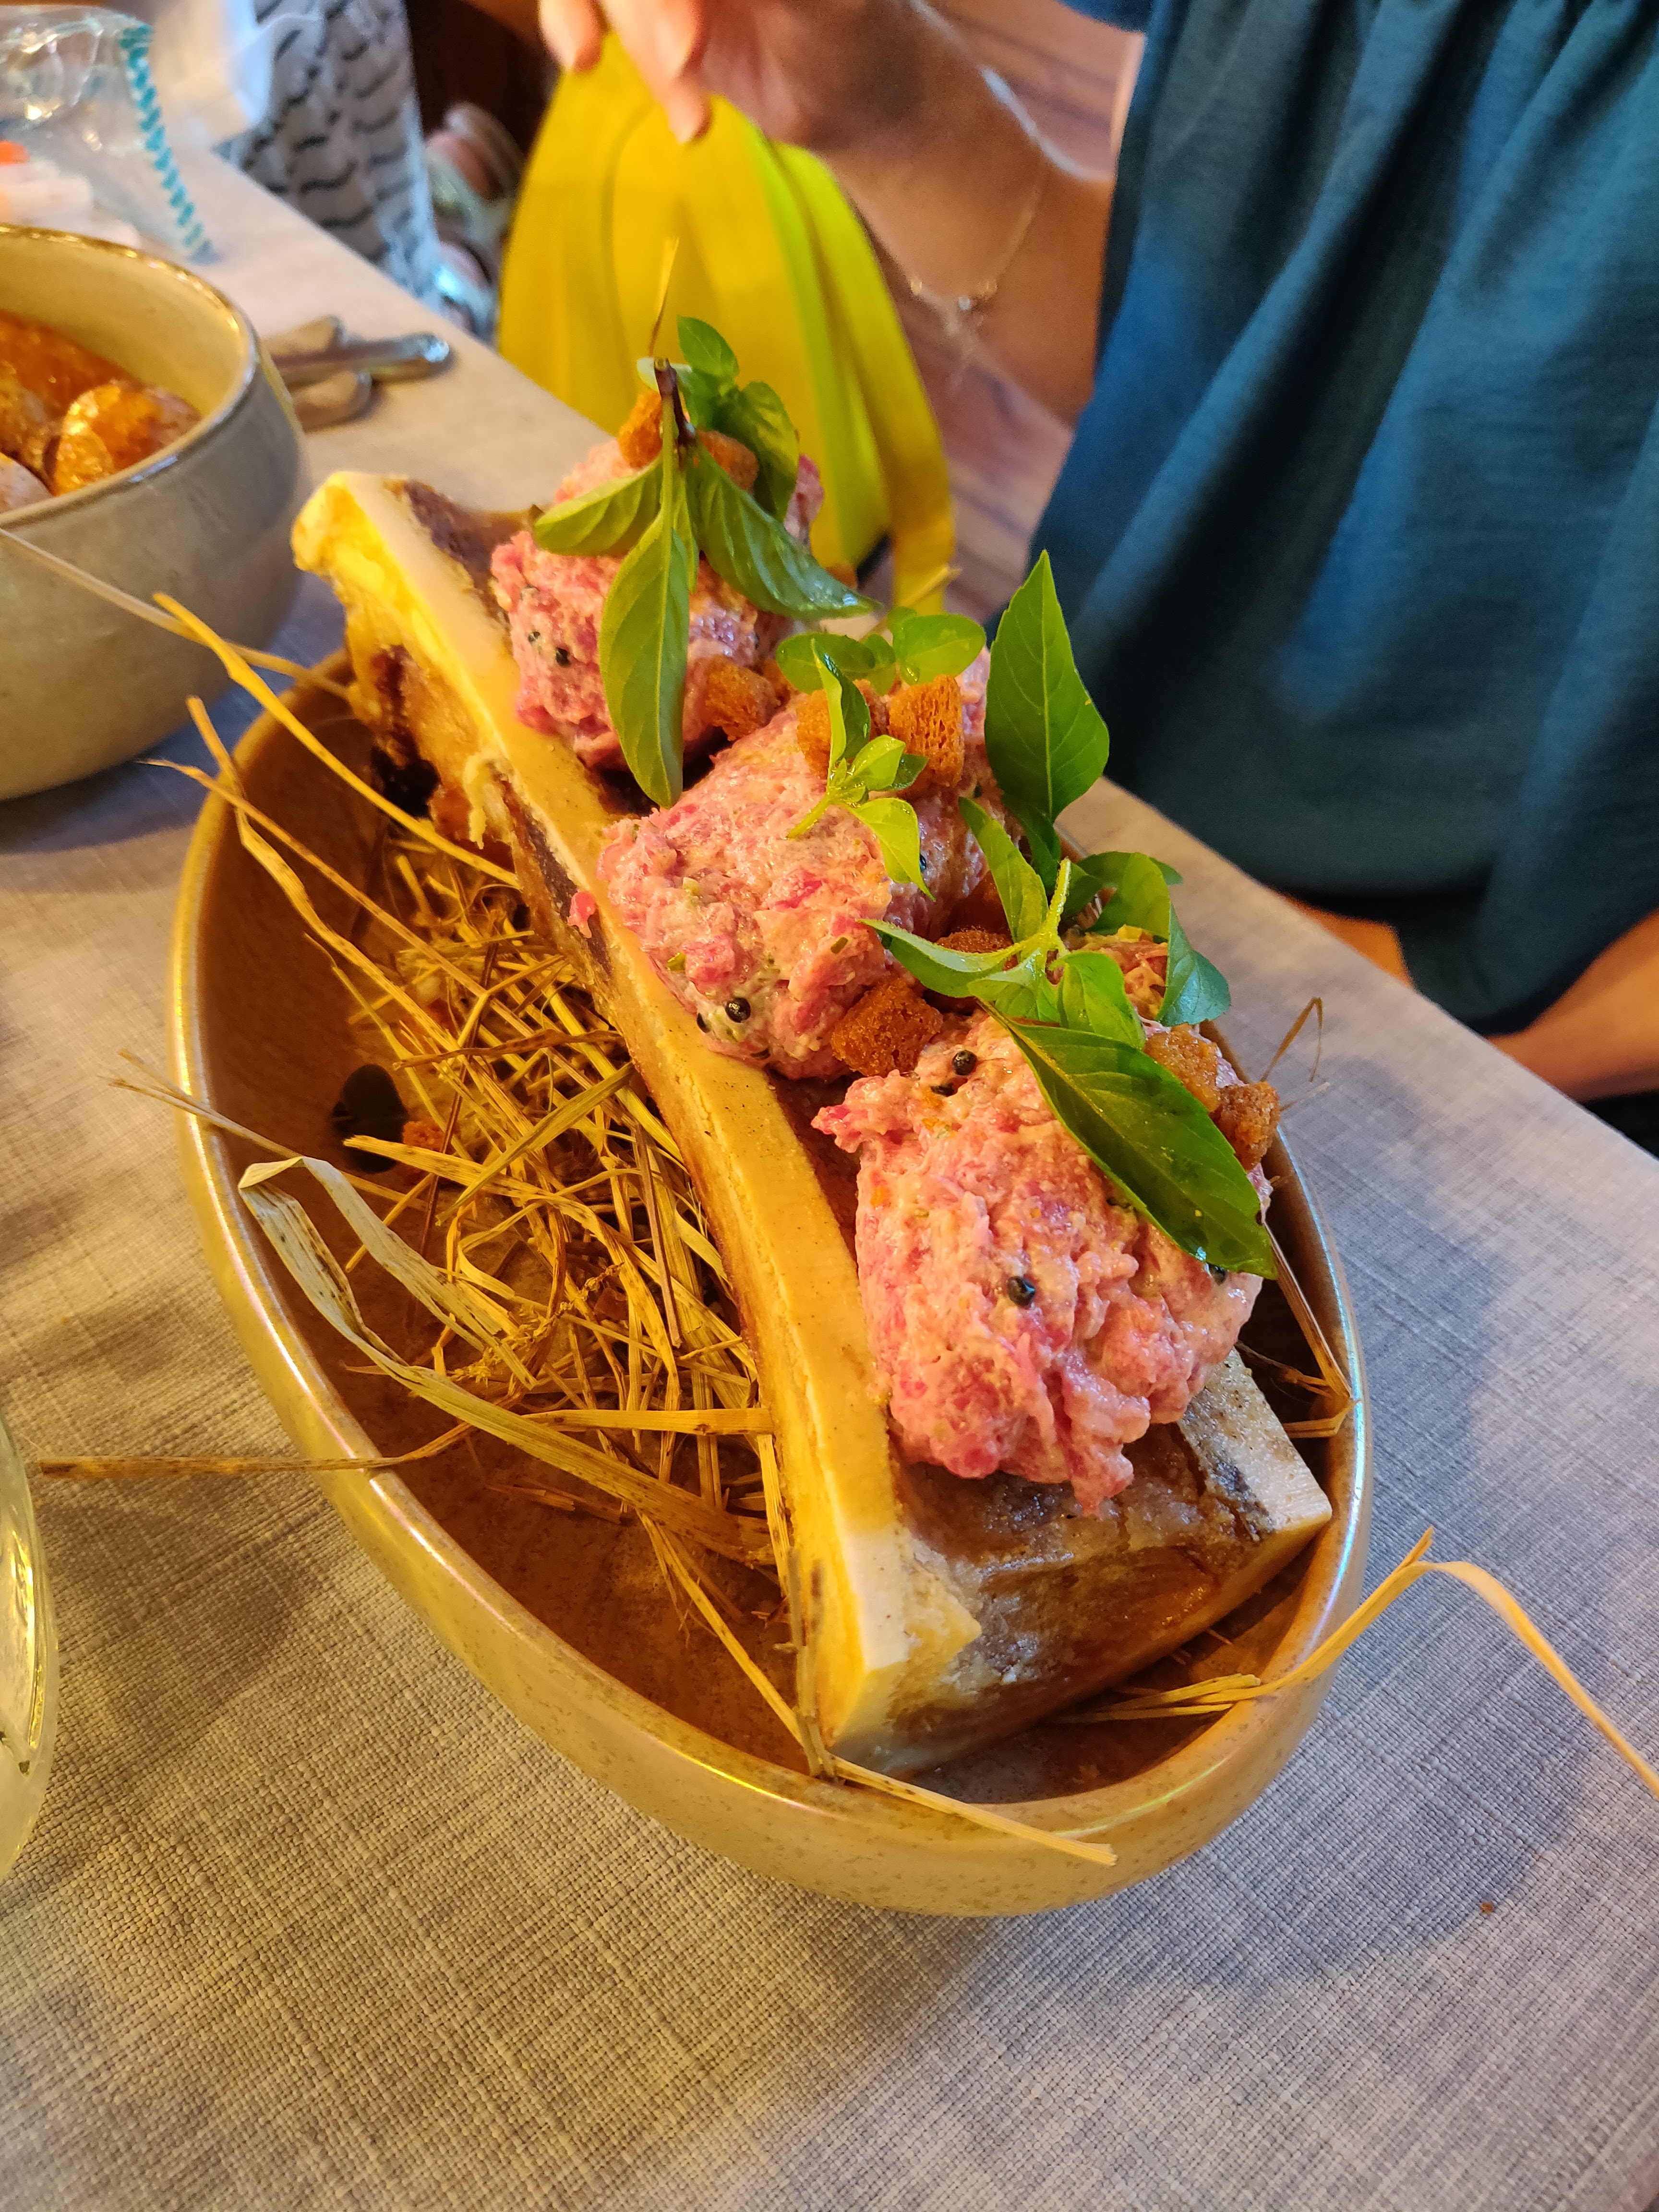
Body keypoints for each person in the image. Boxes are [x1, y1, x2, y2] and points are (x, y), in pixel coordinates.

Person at [529, 0, 1659, 1154]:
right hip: (1074, 825)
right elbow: (1196, 386)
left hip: (1522, 1035)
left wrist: (1474, 1057)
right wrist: (884, 107)